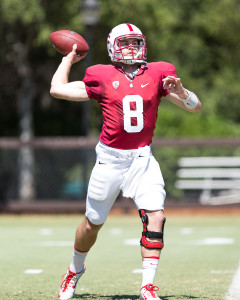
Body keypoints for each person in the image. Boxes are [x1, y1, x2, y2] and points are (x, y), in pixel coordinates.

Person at [50, 23, 201, 300]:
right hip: (110, 159)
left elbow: (195, 106)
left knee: (156, 216)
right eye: (125, 42)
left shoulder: (160, 72)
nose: (131, 47)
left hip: (143, 158)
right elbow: (57, 90)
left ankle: (147, 287)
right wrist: (67, 59)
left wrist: (181, 91)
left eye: (135, 41)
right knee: (91, 225)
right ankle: (74, 270)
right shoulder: (100, 74)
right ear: (111, 47)